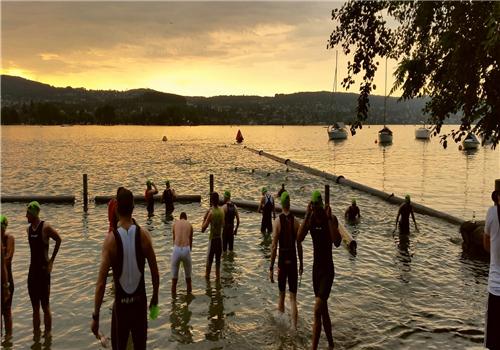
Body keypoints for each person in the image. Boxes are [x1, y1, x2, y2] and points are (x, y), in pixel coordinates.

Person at [91, 188, 160, 350]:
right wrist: (155, 298)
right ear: (134, 207)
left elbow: (100, 284)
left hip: (121, 307)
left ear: (116, 209)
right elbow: (155, 273)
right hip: (140, 305)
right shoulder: (144, 236)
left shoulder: (110, 241)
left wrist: (96, 316)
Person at [297, 191, 341, 350]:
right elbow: (299, 238)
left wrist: (329, 219)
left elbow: (337, 242)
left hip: (328, 270)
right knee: (323, 311)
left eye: (317, 208)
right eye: (313, 208)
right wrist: (307, 215)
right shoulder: (311, 218)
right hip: (316, 271)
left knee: (316, 310)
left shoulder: (330, 218)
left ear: (322, 206)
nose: (316, 211)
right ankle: (331, 345)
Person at [26, 201, 62, 338]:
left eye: (28, 213)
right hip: (32, 273)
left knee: (45, 307)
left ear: (34, 214)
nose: (25, 216)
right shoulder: (28, 230)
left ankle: (47, 337)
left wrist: (51, 261)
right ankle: (36, 337)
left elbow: (59, 240)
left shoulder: (45, 227)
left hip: (43, 272)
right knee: (35, 308)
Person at [269, 192, 303, 330]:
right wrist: (301, 263)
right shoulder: (296, 222)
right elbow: (299, 244)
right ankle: (294, 328)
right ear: (289, 203)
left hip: (282, 261)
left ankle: (281, 327)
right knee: (293, 298)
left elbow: (273, 246)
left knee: (281, 295)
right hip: (293, 260)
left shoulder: (277, 222)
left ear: (281, 205)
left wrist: (271, 267)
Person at [483, 179, 500, 350]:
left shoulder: (492, 213)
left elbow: (486, 241)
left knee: (493, 340)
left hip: (495, 288)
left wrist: (494, 256)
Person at [202, 192, 225, 280]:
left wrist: (204, 218)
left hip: (212, 240)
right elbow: (223, 225)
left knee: (208, 267)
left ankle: (208, 290)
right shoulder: (222, 211)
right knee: (218, 267)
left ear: (212, 200)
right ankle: (218, 289)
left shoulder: (211, 213)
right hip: (220, 240)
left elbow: (203, 229)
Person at [171, 212, 193, 296]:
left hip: (176, 249)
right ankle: (189, 300)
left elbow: (174, 240)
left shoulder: (175, 224)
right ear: (186, 218)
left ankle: (173, 304)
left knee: (174, 280)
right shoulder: (189, 225)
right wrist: (188, 252)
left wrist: (176, 251)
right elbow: (190, 240)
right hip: (186, 249)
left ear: (180, 218)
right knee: (188, 279)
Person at [1, 215, 14, 337]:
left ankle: (8, 340)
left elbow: (7, 259)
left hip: (7, 281)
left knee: (7, 311)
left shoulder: (9, 238)